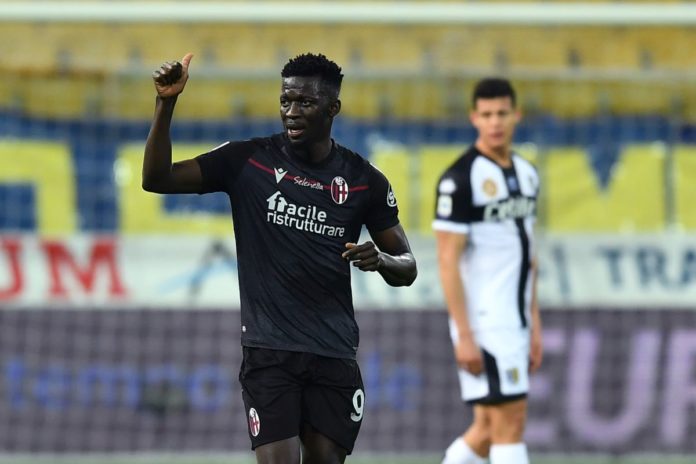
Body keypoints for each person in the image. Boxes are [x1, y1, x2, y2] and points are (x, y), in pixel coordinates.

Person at [143, 52, 417, 464]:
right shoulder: (248, 160)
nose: (291, 111)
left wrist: (381, 259)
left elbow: (407, 266)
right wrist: (165, 103)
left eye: (305, 102)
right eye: (285, 101)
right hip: (269, 353)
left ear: (333, 108)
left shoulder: (364, 181)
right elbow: (156, 179)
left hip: (334, 352)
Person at [432, 78, 543, 464]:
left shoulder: (528, 174)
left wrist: (534, 321)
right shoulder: (460, 179)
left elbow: (529, 254)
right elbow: (447, 259)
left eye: (502, 113)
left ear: (517, 116)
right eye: (487, 114)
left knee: (486, 429)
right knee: (511, 422)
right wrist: (464, 334)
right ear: (474, 118)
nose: (495, 122)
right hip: (486, 321)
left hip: (515, 319)